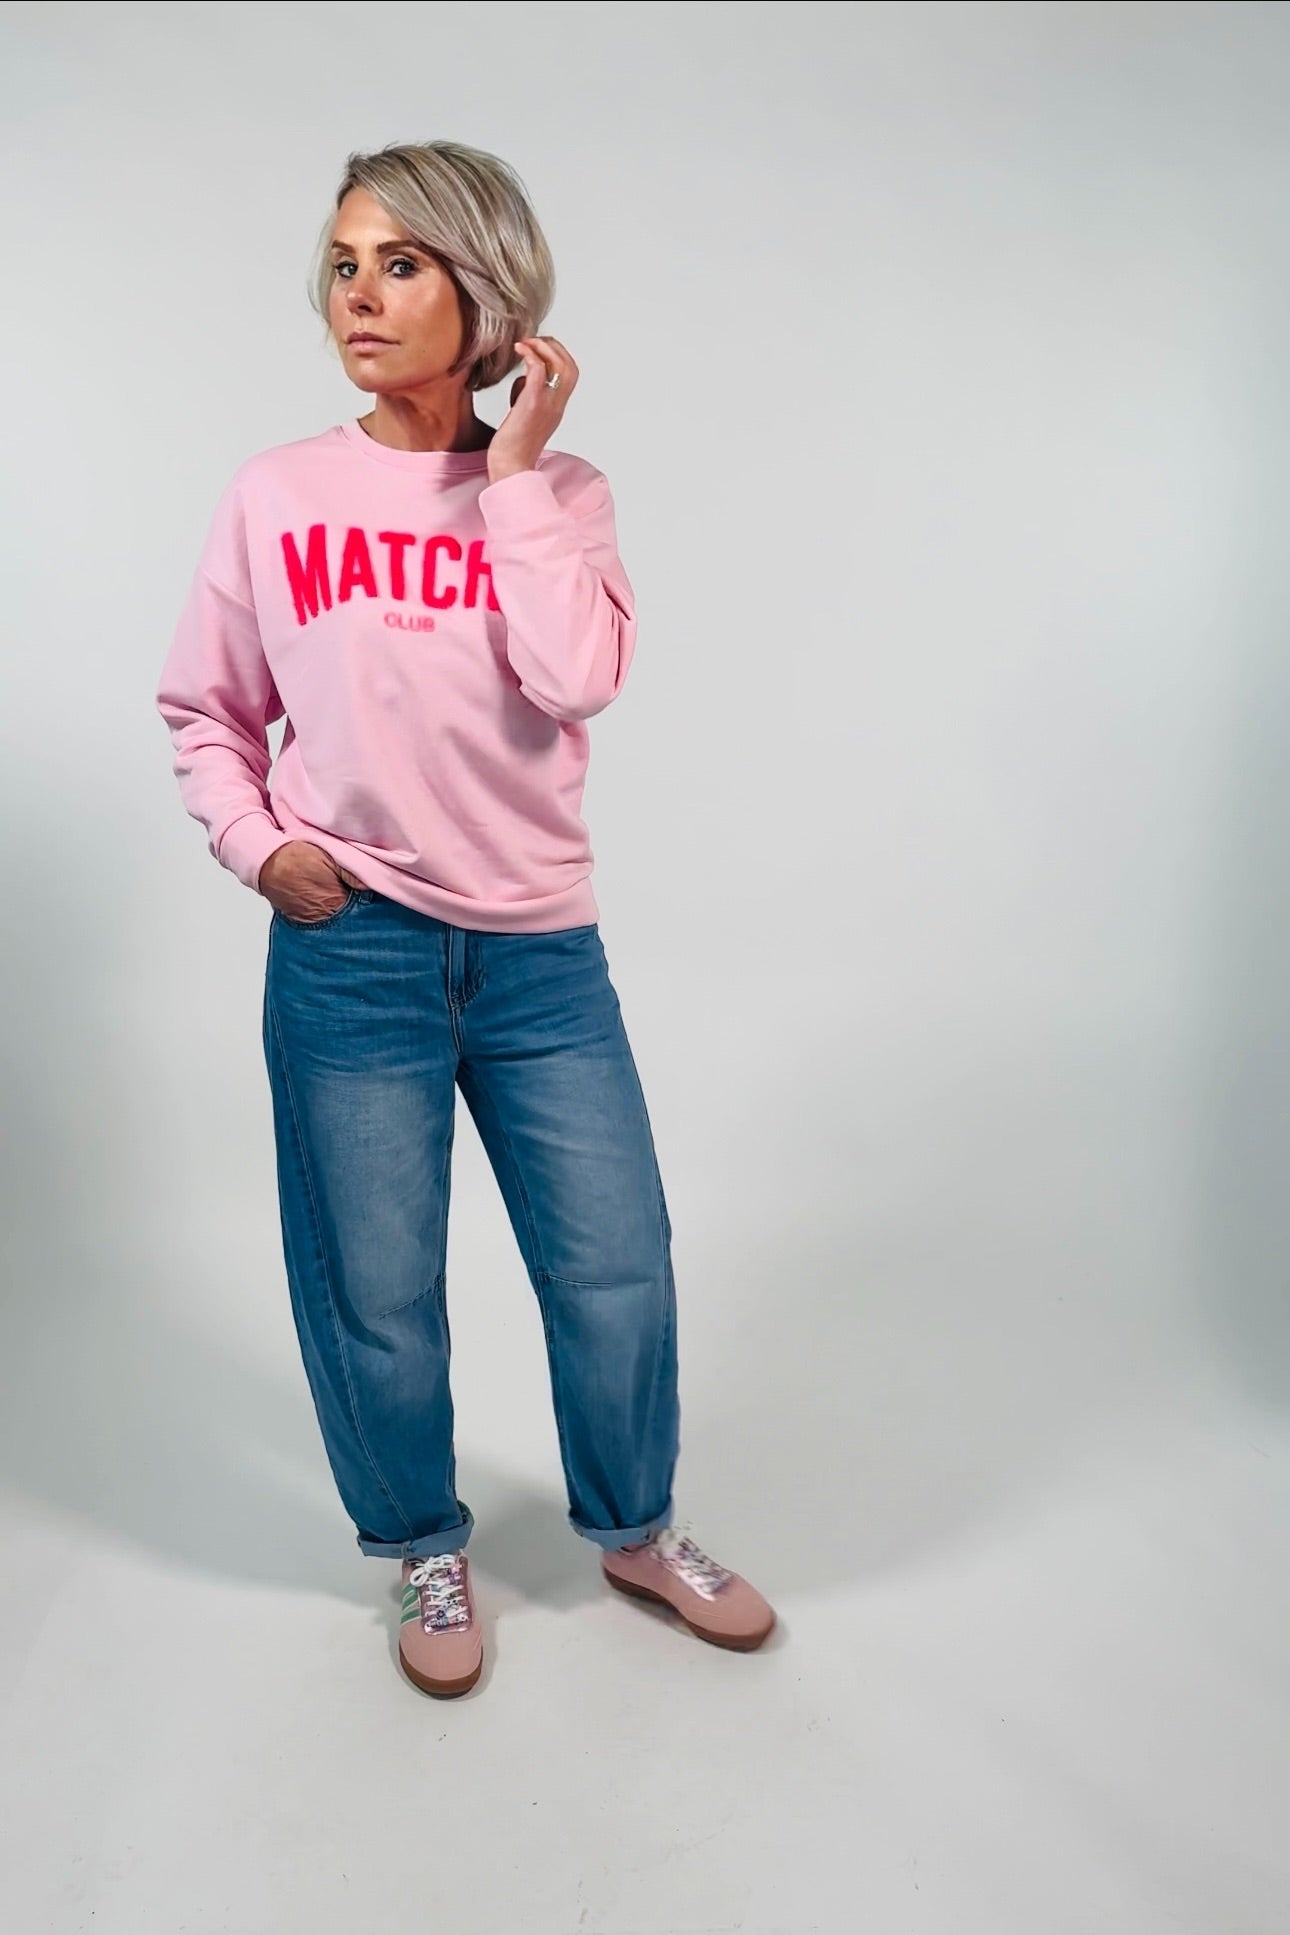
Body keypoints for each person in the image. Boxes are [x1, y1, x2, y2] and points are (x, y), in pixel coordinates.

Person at [156, 139, 776, 1698]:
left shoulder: (561, 495)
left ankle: (634, 1529)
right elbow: (205, 707)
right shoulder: (277, 493)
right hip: (351, 948)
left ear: (483, 289)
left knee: (616, 1262)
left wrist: (510, 486)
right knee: (375, 1285)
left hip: (539, 956)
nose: (358, 296)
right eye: (343, 265)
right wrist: (257, 846)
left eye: (400, 264)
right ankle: (421, 1544)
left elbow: (576, 678)